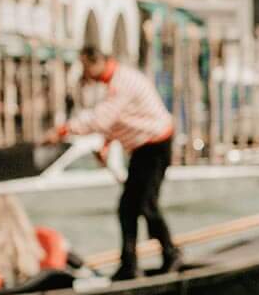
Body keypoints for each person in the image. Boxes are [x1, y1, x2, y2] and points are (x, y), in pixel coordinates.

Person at [58, 43, 177, 280]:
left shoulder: (122, 83)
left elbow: (104, 118)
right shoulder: (117, 81)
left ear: (95, 62)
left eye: (85, 67)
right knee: (127, 208)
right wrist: (106, 143)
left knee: (146, 205)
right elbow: (122, 119)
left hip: (155, 145)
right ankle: (129, 264)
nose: (85, 74)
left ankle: (171, 254)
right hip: (144, 147)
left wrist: (62, 130)